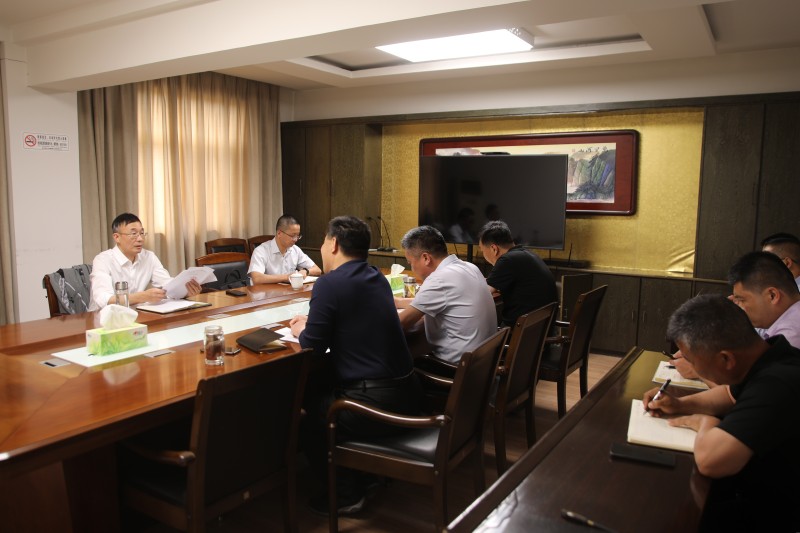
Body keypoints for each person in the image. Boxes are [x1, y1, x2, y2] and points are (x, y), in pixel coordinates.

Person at [289, 216, 422, 514]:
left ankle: (346, 495)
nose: (322, 247)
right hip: (408, 391)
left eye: (324, 240)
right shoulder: (376, 277)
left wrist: (301, 329)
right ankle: (365, 477)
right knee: (320, 389)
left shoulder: (329, 283)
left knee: (310, 416)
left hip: (373, 402)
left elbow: (312, 346)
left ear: (334, 243)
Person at [644, 294, 800, 532]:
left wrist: (703, 422)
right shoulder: (771, 356)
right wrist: (679, 404)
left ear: (726, 359)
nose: (691, 367)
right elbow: (728, 395)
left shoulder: (776, 384)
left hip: (776, 513)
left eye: (692, 361)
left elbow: (711, 461)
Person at [672, 251, 800, 381]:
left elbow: (759, 384)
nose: (739, 307)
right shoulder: (778, 318)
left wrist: (699, 369)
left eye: (742, 300)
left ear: (772, 295)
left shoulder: (792, 333)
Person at [395, 225, 497, 364]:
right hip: (484, 364)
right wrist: (399, 302)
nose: (412, 268)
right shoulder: (470, 267)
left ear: (426, 258)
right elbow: (439, 301)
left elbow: (400, 324)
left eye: (410, 263)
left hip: (457, 369)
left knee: (397, 357)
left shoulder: (438, 279)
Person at [89, 213, 201, 311]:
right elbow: (103, 299)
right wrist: (142, 296)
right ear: (117, 237)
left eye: (142, 233)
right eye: (133, 234)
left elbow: (167, 285)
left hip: (136, 315)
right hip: (103, 319)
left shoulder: (149, 257)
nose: (140, 239)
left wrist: (185, 291)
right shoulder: (103, 260)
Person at [477, 220, 558, 327]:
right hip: (541, 329)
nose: (483, 255)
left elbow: (483, 293)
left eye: (482, 251)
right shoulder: (526, 254)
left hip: (520, 332)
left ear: (494, 249)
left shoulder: (507, 260)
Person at [248, 214, 322, 285]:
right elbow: (257, 278)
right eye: (292, 235)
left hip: (288, 291)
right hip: (266, 293)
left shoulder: (295, 250)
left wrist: (306, 271)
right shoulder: (261, 251)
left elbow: (317, 270)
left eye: (298, 235)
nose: (295, 239)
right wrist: (287, 277)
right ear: (279, 233)